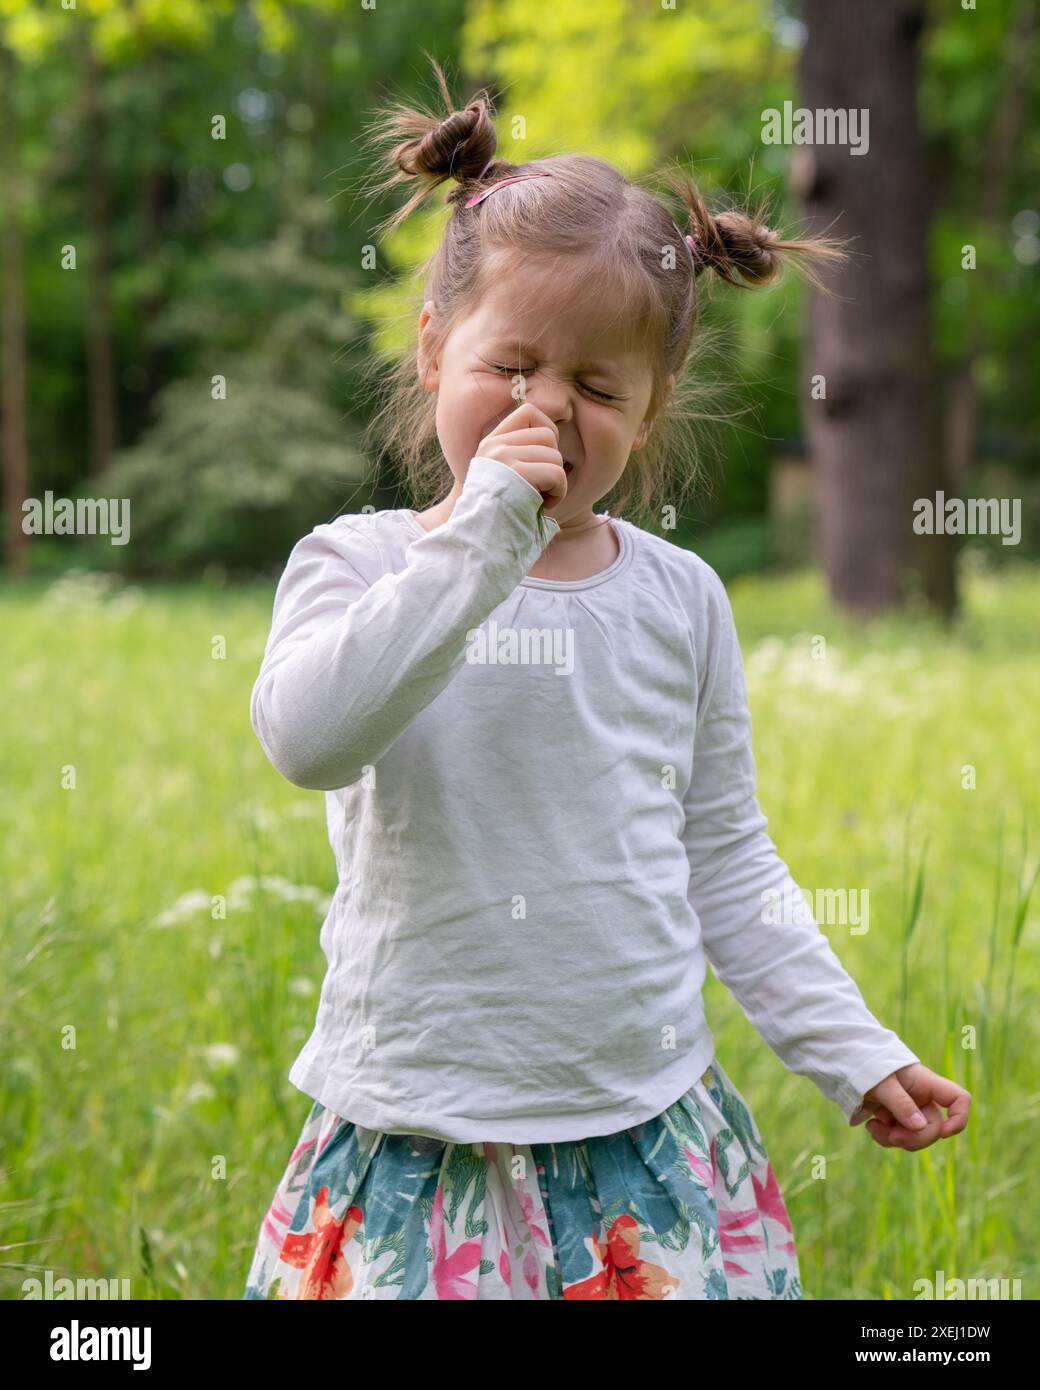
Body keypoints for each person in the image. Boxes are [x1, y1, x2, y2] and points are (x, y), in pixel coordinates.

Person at [242, 60, 970, 1301]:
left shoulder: (676, 598)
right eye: (510, 366)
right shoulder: (359, 563)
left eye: (595, 386)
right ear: (432, 349)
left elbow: (726, 859)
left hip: (639, 1136)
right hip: (418, 1132)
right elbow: (308, 737)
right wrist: (479, 538)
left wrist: (847, 1045)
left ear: (651, 406)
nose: (547, 408)